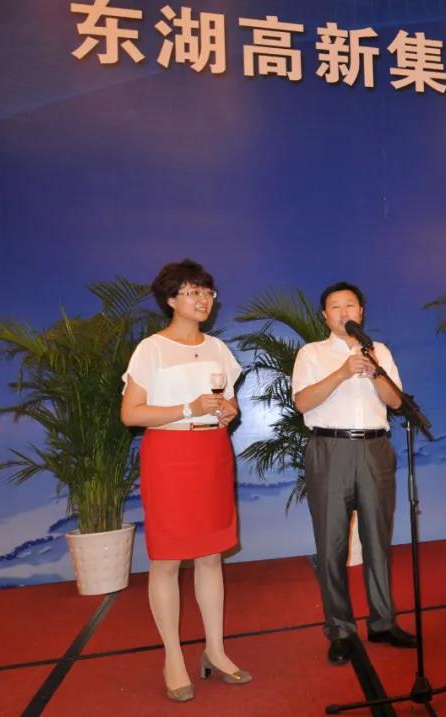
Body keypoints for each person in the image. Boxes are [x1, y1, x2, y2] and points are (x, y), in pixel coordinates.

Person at [120, 259, 251, 702]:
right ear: (171, 300)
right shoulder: (151, 349)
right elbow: (131, 413)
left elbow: (228, 403)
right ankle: (173, 657)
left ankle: (215, 649)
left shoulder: (218, 348)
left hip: (212, 453)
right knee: (167, 560)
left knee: (211, 556)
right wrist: (187, 409)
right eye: (193, 292)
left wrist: (228, 411)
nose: (203, 300)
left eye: (207, 292)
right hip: (170, 457)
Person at [292, 281, 415, 666]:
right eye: (335, 306)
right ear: (325, 315)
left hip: (376, 448)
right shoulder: (311, 353)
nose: (344, 312)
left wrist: (373, 369)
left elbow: (396, 401)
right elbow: (302, 402)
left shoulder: (379, 351)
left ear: (361, 312)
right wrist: (343, 372)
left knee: (378, 539)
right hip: (330, 449)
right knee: (332, 544)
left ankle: (382, 622)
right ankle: (340, 630)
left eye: (350, 305)